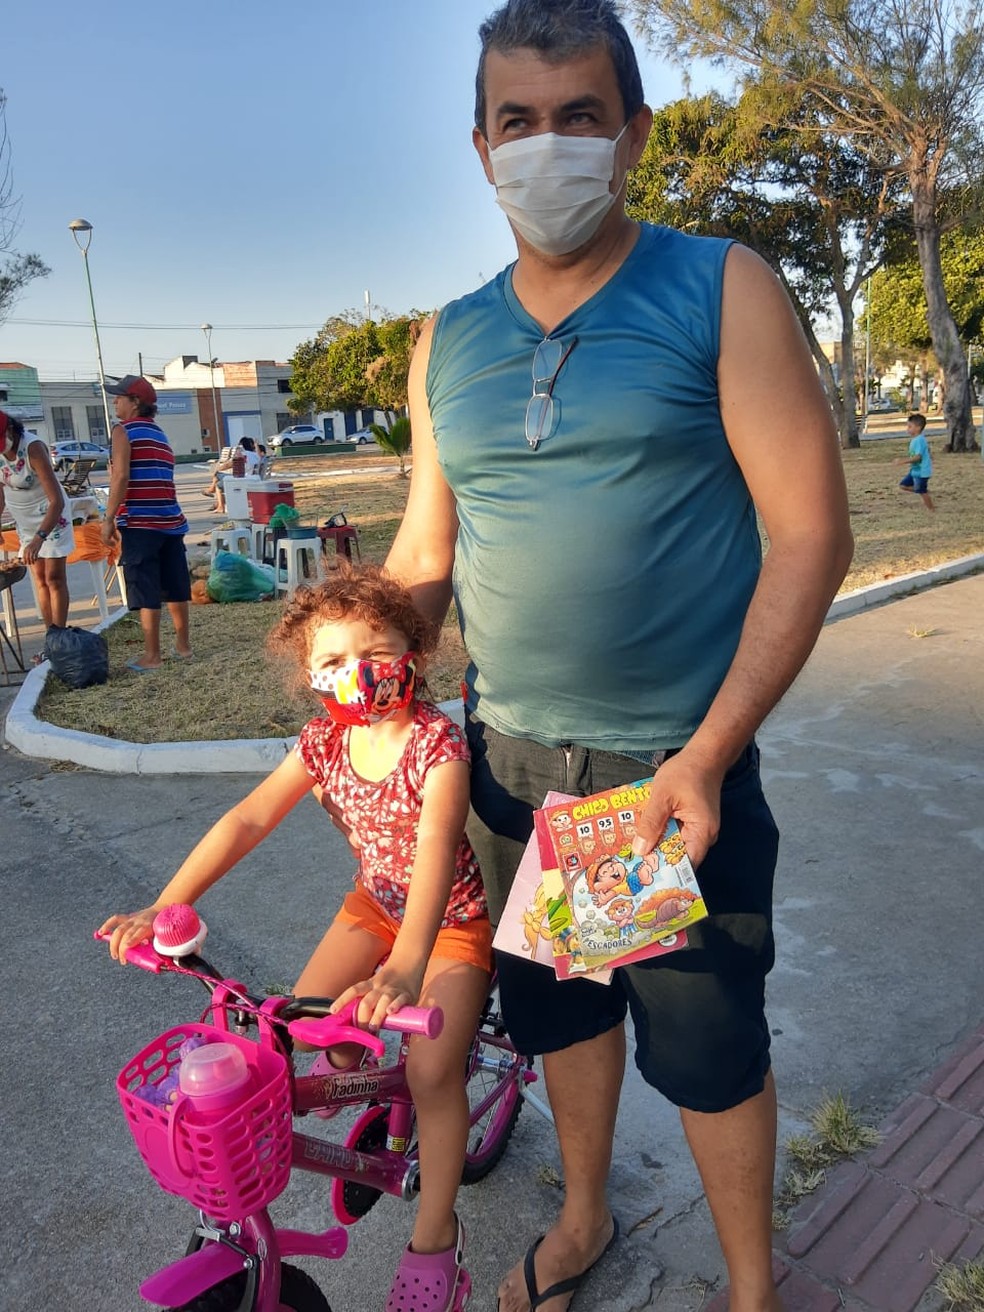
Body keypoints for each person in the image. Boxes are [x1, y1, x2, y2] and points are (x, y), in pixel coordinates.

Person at [384, 3, 855, 1310]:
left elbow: (811, 534)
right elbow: (428, 544)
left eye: (579, 116)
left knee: (707, 1051)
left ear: (633, 133)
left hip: (666, 779)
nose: (547, 146)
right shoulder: (446, 340)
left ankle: (751, 1289)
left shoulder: (720, 286)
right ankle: (584, 1215)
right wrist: (374, 670)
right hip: (510, 768)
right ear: (482, 145)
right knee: (561, 1014)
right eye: (518, 121)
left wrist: (708, 754)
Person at [99, 564, 492, 1309]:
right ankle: (366, 1083)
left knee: (433, 1075)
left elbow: (437, 847)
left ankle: (436, 1236)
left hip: (450, 922)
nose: (357, 672)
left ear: (414, 650)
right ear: (310, 673)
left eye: (376, 651)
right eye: (334, 659)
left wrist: (407, 967)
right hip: (374, 907)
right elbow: (249, 818)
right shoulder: (323, 742)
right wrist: (166, 904)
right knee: (291, 1030)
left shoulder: (436, 744)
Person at [100, 375, 193, 671]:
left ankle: (152, 656)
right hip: (171, 521)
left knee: (145, 587)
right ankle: (183, 647)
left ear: (135, 402)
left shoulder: (123, 431)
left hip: (141, 522)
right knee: (176, 585)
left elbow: (121, 476)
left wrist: (108, 518)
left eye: (119, 398)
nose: (115, 402)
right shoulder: (159, 434)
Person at [0, 409, 74, 635]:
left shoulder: (33, 448)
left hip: (52, 516)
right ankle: (50, 636)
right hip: (25, 521)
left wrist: (39, 538)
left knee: (54, 578)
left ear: (10, 429)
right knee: (40, 579)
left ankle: (59, 636)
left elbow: (56, 501)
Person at [898, 413, 935, 512]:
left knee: (922, 492)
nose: (908, 429)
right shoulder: (916, 440)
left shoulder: (919, 440)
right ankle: (921, 489)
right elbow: (927, 450)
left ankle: (931, 509)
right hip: (915, 470)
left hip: (922, 472)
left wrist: (903, 461)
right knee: (903, 485)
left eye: (910, 426)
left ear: (918, 428)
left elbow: (918, 457)